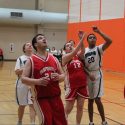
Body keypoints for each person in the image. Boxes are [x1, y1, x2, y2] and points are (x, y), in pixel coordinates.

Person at [21, 34, 67, 125]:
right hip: (41, 98)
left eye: (44, 37)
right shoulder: (31, 60)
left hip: (56, 97)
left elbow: (63, 75)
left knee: (61, 123)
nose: (44, 39)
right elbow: (23, 79)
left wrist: (59, 77)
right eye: (40, 38)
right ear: (35, 44)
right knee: (47, 122)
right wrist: (37, 81)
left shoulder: (54, 58)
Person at [84, 26, 112, 125]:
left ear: (96, 40)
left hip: (97, 74)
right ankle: (91, 121)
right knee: (90, 100)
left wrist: (99, 32)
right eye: (90, 37)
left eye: (94, 37)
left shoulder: (99, 48)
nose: (92, 38)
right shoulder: (84, 51)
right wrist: (88, 74)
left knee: (97, 99)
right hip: (88, 74)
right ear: (87, 40)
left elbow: (109, 41)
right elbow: (83, 66)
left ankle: (104, 121)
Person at [62, 31, 88, 125]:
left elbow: (83, 51)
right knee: (68, 109)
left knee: (80, 107)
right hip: (72, 86)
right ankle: (63, 122)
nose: (70, 46)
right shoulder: (65, 57)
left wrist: (81, 40)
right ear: (64, 49)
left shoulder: (77, 56)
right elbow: (75, 51)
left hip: (82, 85)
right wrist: (82, 39)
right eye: (68, 45)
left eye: (71, 45)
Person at [15, 42, 36, 125]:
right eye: (27, 45)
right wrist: (27, 69)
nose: (30, 45)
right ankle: (19, 121)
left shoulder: (35, 58)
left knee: (32, 104)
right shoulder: (20, 59)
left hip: (33, 83)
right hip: (22, 84)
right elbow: (17, 72)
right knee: (22, 105)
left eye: (30, 45)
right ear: (24, 49)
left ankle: (32, 123)